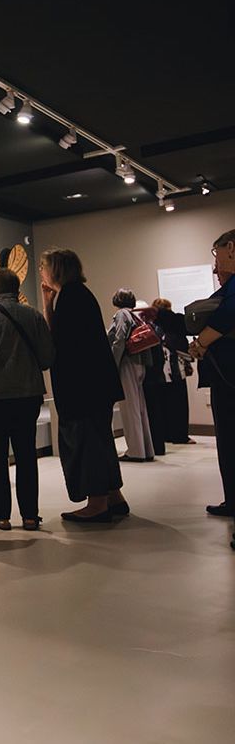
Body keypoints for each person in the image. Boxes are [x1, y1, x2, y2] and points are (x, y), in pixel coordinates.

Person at [40, 248, 129, 522]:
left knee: (87, 441)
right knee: (99, 440)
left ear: (56, 269)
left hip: (83, 387)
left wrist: (47, 307)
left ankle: (97, 503)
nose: (41, 272)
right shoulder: (77, 294)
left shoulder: (71, 296)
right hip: (94, 385)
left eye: (44, 266)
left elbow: (60, 341)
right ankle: (113, 497)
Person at [0, 268, 54, 531]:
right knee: (27, 455)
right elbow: (48, 357)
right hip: (27, 394)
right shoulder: (34, 316)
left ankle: (2, 515)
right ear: (17, 291)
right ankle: (30, 515)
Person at [190, 228, 235, 535]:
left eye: (217, 254)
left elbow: (227, 314)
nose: (216, 265)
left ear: (231, 248)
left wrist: (202, 341)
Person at [108, 289, 156, 462]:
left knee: (129, 408)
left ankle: (135, 451)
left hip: (127, 362)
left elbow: (119, 339)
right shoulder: (136, 315)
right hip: (140, 363)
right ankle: (146, 448)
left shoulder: (121, 314)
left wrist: (113, 363)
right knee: (140, 407)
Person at [141, 299, 193, 454]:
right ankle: (179, 434)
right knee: (178, 402)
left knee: (161, 403)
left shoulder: (152, 322)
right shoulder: (176, 320)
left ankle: (164, 434)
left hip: (158, 369)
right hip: (176, 368)